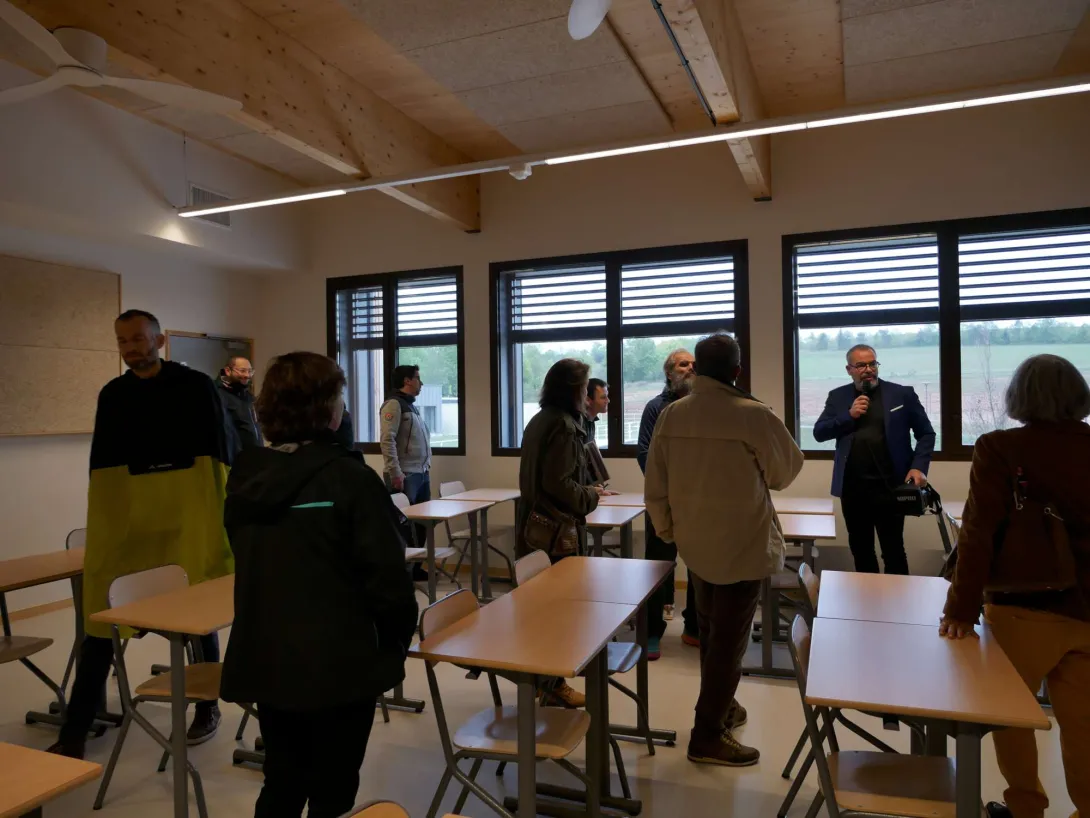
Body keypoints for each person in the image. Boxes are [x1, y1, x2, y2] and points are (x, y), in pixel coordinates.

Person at [221, 351, 417, 818]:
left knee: (282, 779)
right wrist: (391, 652)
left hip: (268, 659)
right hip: (339, 665)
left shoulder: (245, 477)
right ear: (328, 407)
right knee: (333, 787)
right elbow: (389, 582)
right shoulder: (350, 479)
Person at [48, 310, 235, 758]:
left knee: (196, 618)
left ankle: (206, 707)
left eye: (138, 339)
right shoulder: (113, 395)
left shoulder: (195, 388)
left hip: (187, 518)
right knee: (101, 617)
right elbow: (104, 471)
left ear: (160, 340)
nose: (130, 347)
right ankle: (75, 730)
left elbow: (221, 457)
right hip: (134, 523)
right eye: (122, 341)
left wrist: (219, 519)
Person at [941, 354, 1090, 818]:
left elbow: (979, 533)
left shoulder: (999, 447)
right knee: (1084, 725)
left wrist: (960, 608)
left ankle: (1026, 807)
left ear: (1018, 397)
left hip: (1024, 607)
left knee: (1012, 718)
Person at [645, 332, 804, 767]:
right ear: (737, 370)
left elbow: (654, 483)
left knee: (714, 635)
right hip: (743, 546)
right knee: (728, 643)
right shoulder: (753, 415)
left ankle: (722, 707)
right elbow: (784, 473)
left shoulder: (672, 416)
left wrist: (669, 531)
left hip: (695, 545)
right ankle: (707, 734)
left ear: (697, 367)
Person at [517, 358, 604, 709]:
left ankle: (547, 680)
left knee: (545, 611)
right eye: (584, 388)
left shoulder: (541, 420)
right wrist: (591, 496)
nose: (587, 395)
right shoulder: (566, 427)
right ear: (574, 390)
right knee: (558, 613)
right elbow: (559, 483)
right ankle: (552, 684)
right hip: (556, 532)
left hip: (535, 526)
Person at [813, 344, 935, 575]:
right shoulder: (838, 397)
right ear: (849, 369)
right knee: (861, 550)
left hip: (890, 487)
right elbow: (820, 433)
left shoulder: (901, 394)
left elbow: (926, 434)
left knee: (894, 551)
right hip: (853, 490)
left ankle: (899, 604)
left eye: (872, 364)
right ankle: (867, 604)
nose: (868, 369)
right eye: (861, 365)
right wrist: (848, 416)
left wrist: (918, 467)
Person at [638, 349, 699, 659]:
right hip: (664, 501)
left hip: (700, 502)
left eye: (693, 364)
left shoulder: (704, 407)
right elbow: (644, 455)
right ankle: (650, 631)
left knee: (701, 566)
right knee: (659, 567)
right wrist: (668, 486)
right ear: (669, 372)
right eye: (682, 364)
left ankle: (694, 627)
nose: (689, 368)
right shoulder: (655, 408)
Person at [380, 364, 431, 546]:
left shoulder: (411, 406)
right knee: (404, 527)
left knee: (422, 524)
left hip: (421, 473)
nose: (421, 383)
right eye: (418, 378)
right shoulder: (393, 404)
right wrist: (395, 473)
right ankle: (406, 571)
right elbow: (387, 440)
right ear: (407, 381)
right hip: (405, 474)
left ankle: (418, 570)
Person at [219, 355, 262, 448]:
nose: (247, 375)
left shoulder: (249, 397)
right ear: (228, 371)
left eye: (250, 371)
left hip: (255, 454)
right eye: (242, 371)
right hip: (235, 457)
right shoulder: (219, 396)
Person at [583, 377, 610, 487]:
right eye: (603, 397)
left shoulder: (591, 422)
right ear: (588, 400)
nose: (608, 401)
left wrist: (596, 486)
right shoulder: (577, 425)